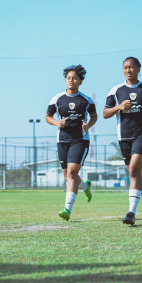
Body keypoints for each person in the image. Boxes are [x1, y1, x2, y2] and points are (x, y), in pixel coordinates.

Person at [103, 57, 142, 225]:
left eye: (131, 67)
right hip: (124, 137)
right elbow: (105, 113)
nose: (128, 70)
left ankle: (131, 212)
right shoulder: (116, 90)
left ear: (138, 68)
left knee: (134, 170)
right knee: (134, 173)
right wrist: (119, 107)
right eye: (125, 67)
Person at [45, 65, 97, 221]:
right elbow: (48, 116)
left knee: (72, 173)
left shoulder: (86, 100)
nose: (71, 80)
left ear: (80, 81)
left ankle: (67, 209)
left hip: (80, 140)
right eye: (68, 78)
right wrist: (57, 123)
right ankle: (85, 187)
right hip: (62, 140)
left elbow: (94, 116)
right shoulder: (57, 99)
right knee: (68, 177)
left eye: (75, 78)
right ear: (65, 80)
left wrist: (88, 126)